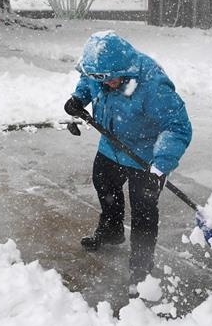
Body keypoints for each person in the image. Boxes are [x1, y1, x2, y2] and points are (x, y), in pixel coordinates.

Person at [63, 31, 192, 292]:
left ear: (123, 69)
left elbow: (178, 127)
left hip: (146, 156)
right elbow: (89, 80)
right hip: (111, 145)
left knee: (144, 211)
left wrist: (161, 165)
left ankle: (141, 266)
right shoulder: (100, 73)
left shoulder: (152, 84)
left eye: (111, 80)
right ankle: (111, 230)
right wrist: (79, 98)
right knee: (103, 183)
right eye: (101, 80)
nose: (106, 84)